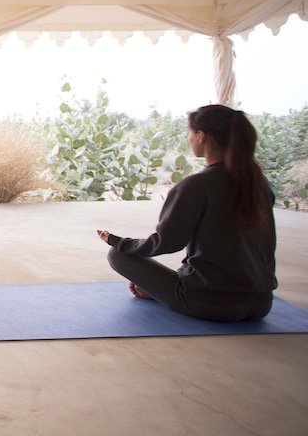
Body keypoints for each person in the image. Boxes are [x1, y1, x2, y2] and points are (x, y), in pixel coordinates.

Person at [96, 104, 277, 322]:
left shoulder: (197, 185)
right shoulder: (258, 183)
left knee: (118, 255)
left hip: (209, 302)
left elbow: (165, 243)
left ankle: (159, 291)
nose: (188, 138)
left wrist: (117, 241)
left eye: (190, 133)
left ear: (201, 136)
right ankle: (158, 291)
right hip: (260, 304)